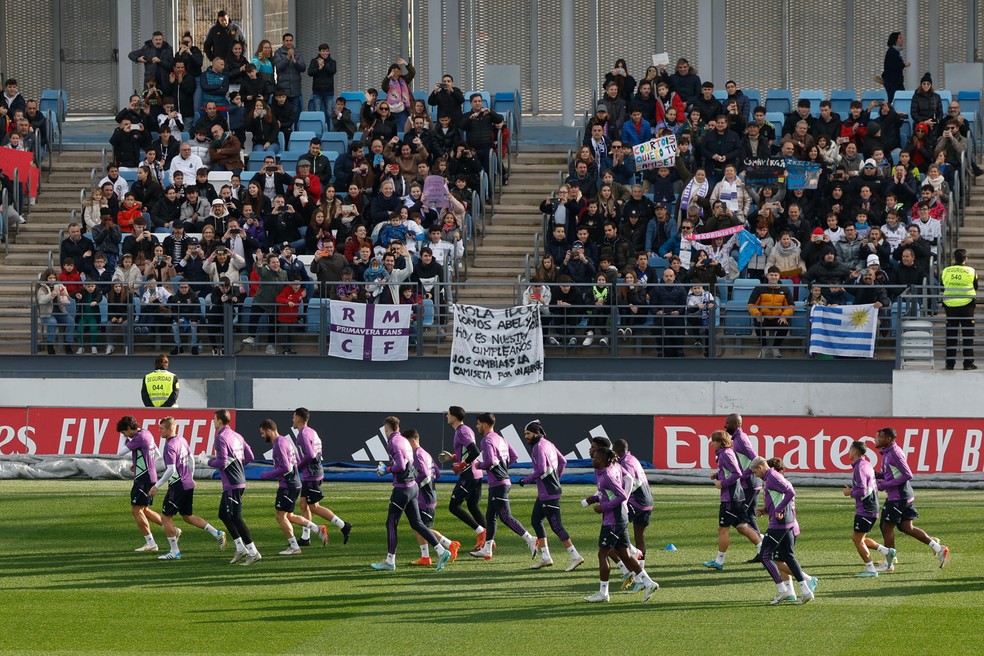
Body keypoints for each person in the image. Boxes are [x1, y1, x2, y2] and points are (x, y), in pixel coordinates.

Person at [371, 415, 453, 572]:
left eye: (385, 430)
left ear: (388, 429)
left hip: (402, 488)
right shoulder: (403, 440)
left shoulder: (393, 442)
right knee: (417, 523)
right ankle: (442, 551)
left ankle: (390, 561)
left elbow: (400, 465)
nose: (385, 433)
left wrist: (386, 470)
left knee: (391, 524)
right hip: (413, 487)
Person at [582, 446, 660, 603]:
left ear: (602, 459)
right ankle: (649, 583)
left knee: (602, 554)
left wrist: (603, 507)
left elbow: (621, 495)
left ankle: (603, 593)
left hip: (613, 520)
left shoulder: (607, 476)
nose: (593, 459)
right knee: (624, 554)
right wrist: (594, 499)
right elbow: (620, 486)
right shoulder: (615, 467)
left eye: (595, 457)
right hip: (620, 518)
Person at [149, 416, 227, 560]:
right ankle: (217, 533)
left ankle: (175, 551)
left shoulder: (170, 446)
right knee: (187, 516)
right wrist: (191, 477)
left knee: (166, 517)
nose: (159, 431)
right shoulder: (182, 440)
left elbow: (171, 470)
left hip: (178, 485)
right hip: (187, 484)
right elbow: (191, 458)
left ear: (171, 429)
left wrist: (156, 486)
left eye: (161, 429)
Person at [875, 427, 950, 571]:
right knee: (906, 528)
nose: (876, 439)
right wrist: (876, 475)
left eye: (880, 437)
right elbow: (890, 474)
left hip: (898, 497)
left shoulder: (895, 453)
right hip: (901, 496)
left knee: (886, 527)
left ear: (889, 439)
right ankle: (939, 548)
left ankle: (889, 562)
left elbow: (907, 474)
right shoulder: (887, 453)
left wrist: (884, 484)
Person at [468, 412, 538, 560]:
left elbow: (490, 461)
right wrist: (503, 468)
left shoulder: (486, 441)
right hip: (500, 481)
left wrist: (478, 464)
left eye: (478, 424)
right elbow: (514, 456)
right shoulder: (500, 439)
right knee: (490, 516)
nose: (477, 427)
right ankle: (487, 549)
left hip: (498, 483)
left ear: (485, 425)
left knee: (505, 517)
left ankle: (530, 538)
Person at [258, 418, 330, 555]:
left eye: (262, 433)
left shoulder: (278, 444)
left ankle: (295, 547)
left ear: (269, 430)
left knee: (280, 516)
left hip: (287, 485)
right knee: (289, 515)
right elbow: (296, 461)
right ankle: (317, 529)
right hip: (294, 483)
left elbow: (285, 467)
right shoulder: (285, 441)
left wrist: (267, 474)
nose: (262, 436)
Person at [751, 457, 817, 605]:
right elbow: (778, 498)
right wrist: (766, 510)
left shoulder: (772, 477)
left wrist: (779, 510)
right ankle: (806, 591)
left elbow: (790, 492)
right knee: (788, 556)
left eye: (755, 471)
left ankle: (783, 589)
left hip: (779, 524)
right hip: (787, 522)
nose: (755, 475)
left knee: (764, 556)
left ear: (761, 466)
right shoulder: (773, 476)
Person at [521, 420, 584, 572]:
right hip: (547, 492)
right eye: (525, 434)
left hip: (548, 493)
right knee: (536, 520)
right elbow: (563, 461)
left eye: (528, 434)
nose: (526, 437)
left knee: (556, 526)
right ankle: (545, 557)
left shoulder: (537, 447)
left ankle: (575, 556)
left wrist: (525, 480)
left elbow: (541, 469)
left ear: (536, 433)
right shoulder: (548, 444)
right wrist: (557, 478)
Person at [292, 407, 353, 546]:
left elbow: (310, 455)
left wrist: (298, 468)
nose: (293, 420)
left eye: (294, 417)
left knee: (313, 507)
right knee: (303, 504)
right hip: (313, 472)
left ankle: (343, 525)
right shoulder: (312, 432)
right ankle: (305, 537)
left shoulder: (303, 434)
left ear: (299, 419)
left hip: (312, 474)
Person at [208, 409, 261, 566]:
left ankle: (253, 552)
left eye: (214, 419)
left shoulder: (221, 438)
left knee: (236, 517)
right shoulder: (237, 436)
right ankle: (240, 548)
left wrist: (206, 462)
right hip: (237, 481)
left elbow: (222, 462)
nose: (213, 422)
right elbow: (250, 456)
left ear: (219, 421)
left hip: (232, 483)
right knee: (223, 514)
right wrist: (238, 465)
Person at [703, 430, 761, 570]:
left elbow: (737, 473)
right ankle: (763, 549)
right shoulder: (727, 453)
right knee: (742, 527)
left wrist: (722, 483)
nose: (711, 444)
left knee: (722, 530)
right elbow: (731, 471)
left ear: (720, 442)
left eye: (714, 441)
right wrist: (718, 475)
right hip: (737, 497)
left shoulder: (725, 455)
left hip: (730, 499)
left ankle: (719, 561)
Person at [405, 428, 461, 566]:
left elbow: (424, 473)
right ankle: (425, 557)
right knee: (418, 526)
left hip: (424, 497)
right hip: (429, 495)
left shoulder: (417, 455)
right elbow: (437, 473)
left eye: (406, 443)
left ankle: (449, 544)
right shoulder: (425, 454)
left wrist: (412, 483)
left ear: (412, 441)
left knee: (420, 527)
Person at [842, 440, 894, 577]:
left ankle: (871, 569)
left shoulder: (860, 468)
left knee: (857, 539)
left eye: (850, 449)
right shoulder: (866, 465)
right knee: (860, 537)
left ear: (854, 452)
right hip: (870, 507)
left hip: (866, 509)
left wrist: (850, 493)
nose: (848, 452)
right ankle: (887, 552)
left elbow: (863, 491)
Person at [438, 406, 487, 548]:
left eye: (448, 414)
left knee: (454, 507)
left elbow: (475, 451)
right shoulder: (466, 430)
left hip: (469, 474)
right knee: (472, 505)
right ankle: (489, 541)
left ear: (454, 417)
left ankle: (481, 532)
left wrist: (461, 464)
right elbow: (467, 451)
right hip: (475, 474)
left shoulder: (461, 431)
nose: (447, 416)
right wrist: (453, 457)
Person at [116, 415, 164, 552]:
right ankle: (172, 529)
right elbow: (157, 454)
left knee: (136, 510)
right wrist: (140, 463)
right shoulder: (146, 433)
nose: (125, 435)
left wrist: (123, 437)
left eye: (124, 432)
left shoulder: (138, 438)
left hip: (143, 479)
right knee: (144, 509)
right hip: (150, 476)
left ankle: (151, 543)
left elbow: (120, 453)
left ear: (130, 428)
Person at [611, 439, 652, 570]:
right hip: (648, 502)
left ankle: (630, 566)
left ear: (616, 450)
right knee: (639, 537)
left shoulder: (625, 462)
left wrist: (619, 499)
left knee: (615, 534)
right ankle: (641, 568)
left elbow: (630, 483)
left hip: (636, 503)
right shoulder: (633, 459)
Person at [941, 248, 977, 370]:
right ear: (965, 259)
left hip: (950, 306)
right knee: (967, 335)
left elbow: (942, 285)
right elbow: (975, 286)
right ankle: (968, 363)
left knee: (951, 335)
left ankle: (949, 364)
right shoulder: (971, 271)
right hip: (967, 306)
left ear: (954, 258)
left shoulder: (946, 270)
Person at [748, 266, 794, 359]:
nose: (773, 277)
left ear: (779, 276)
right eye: (771, 275)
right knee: (758, 323)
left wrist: (784, 316)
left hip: (778, 316)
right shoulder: (759, 288)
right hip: (763, 316)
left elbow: (791, 306)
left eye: (775, 275)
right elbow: (751, 304)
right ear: (767, 276)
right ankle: (764, 348)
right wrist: (757, 314)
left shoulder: (785, 290)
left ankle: (775, 347)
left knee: (784, 326)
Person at [274, 34, 306, 124]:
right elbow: (279, 67)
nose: (289, 42)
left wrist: (295, 62)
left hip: (295, 89)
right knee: (285, 114)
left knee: (296, 113)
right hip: (283, 91)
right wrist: (287, 58)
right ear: (283, 41)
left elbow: (303, 68)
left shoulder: (297, 52)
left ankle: (296, 133)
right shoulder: (278, 53)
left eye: (290, 40)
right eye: (287, 40)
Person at [881, 32, 910, 103]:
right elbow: (891, 66)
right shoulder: (892, 52)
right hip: (893, 83)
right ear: (895, 40)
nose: (902, 39)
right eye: (900, 38)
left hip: (896, 82)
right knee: (896, 100)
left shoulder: (895, 52)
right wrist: (903, 65)